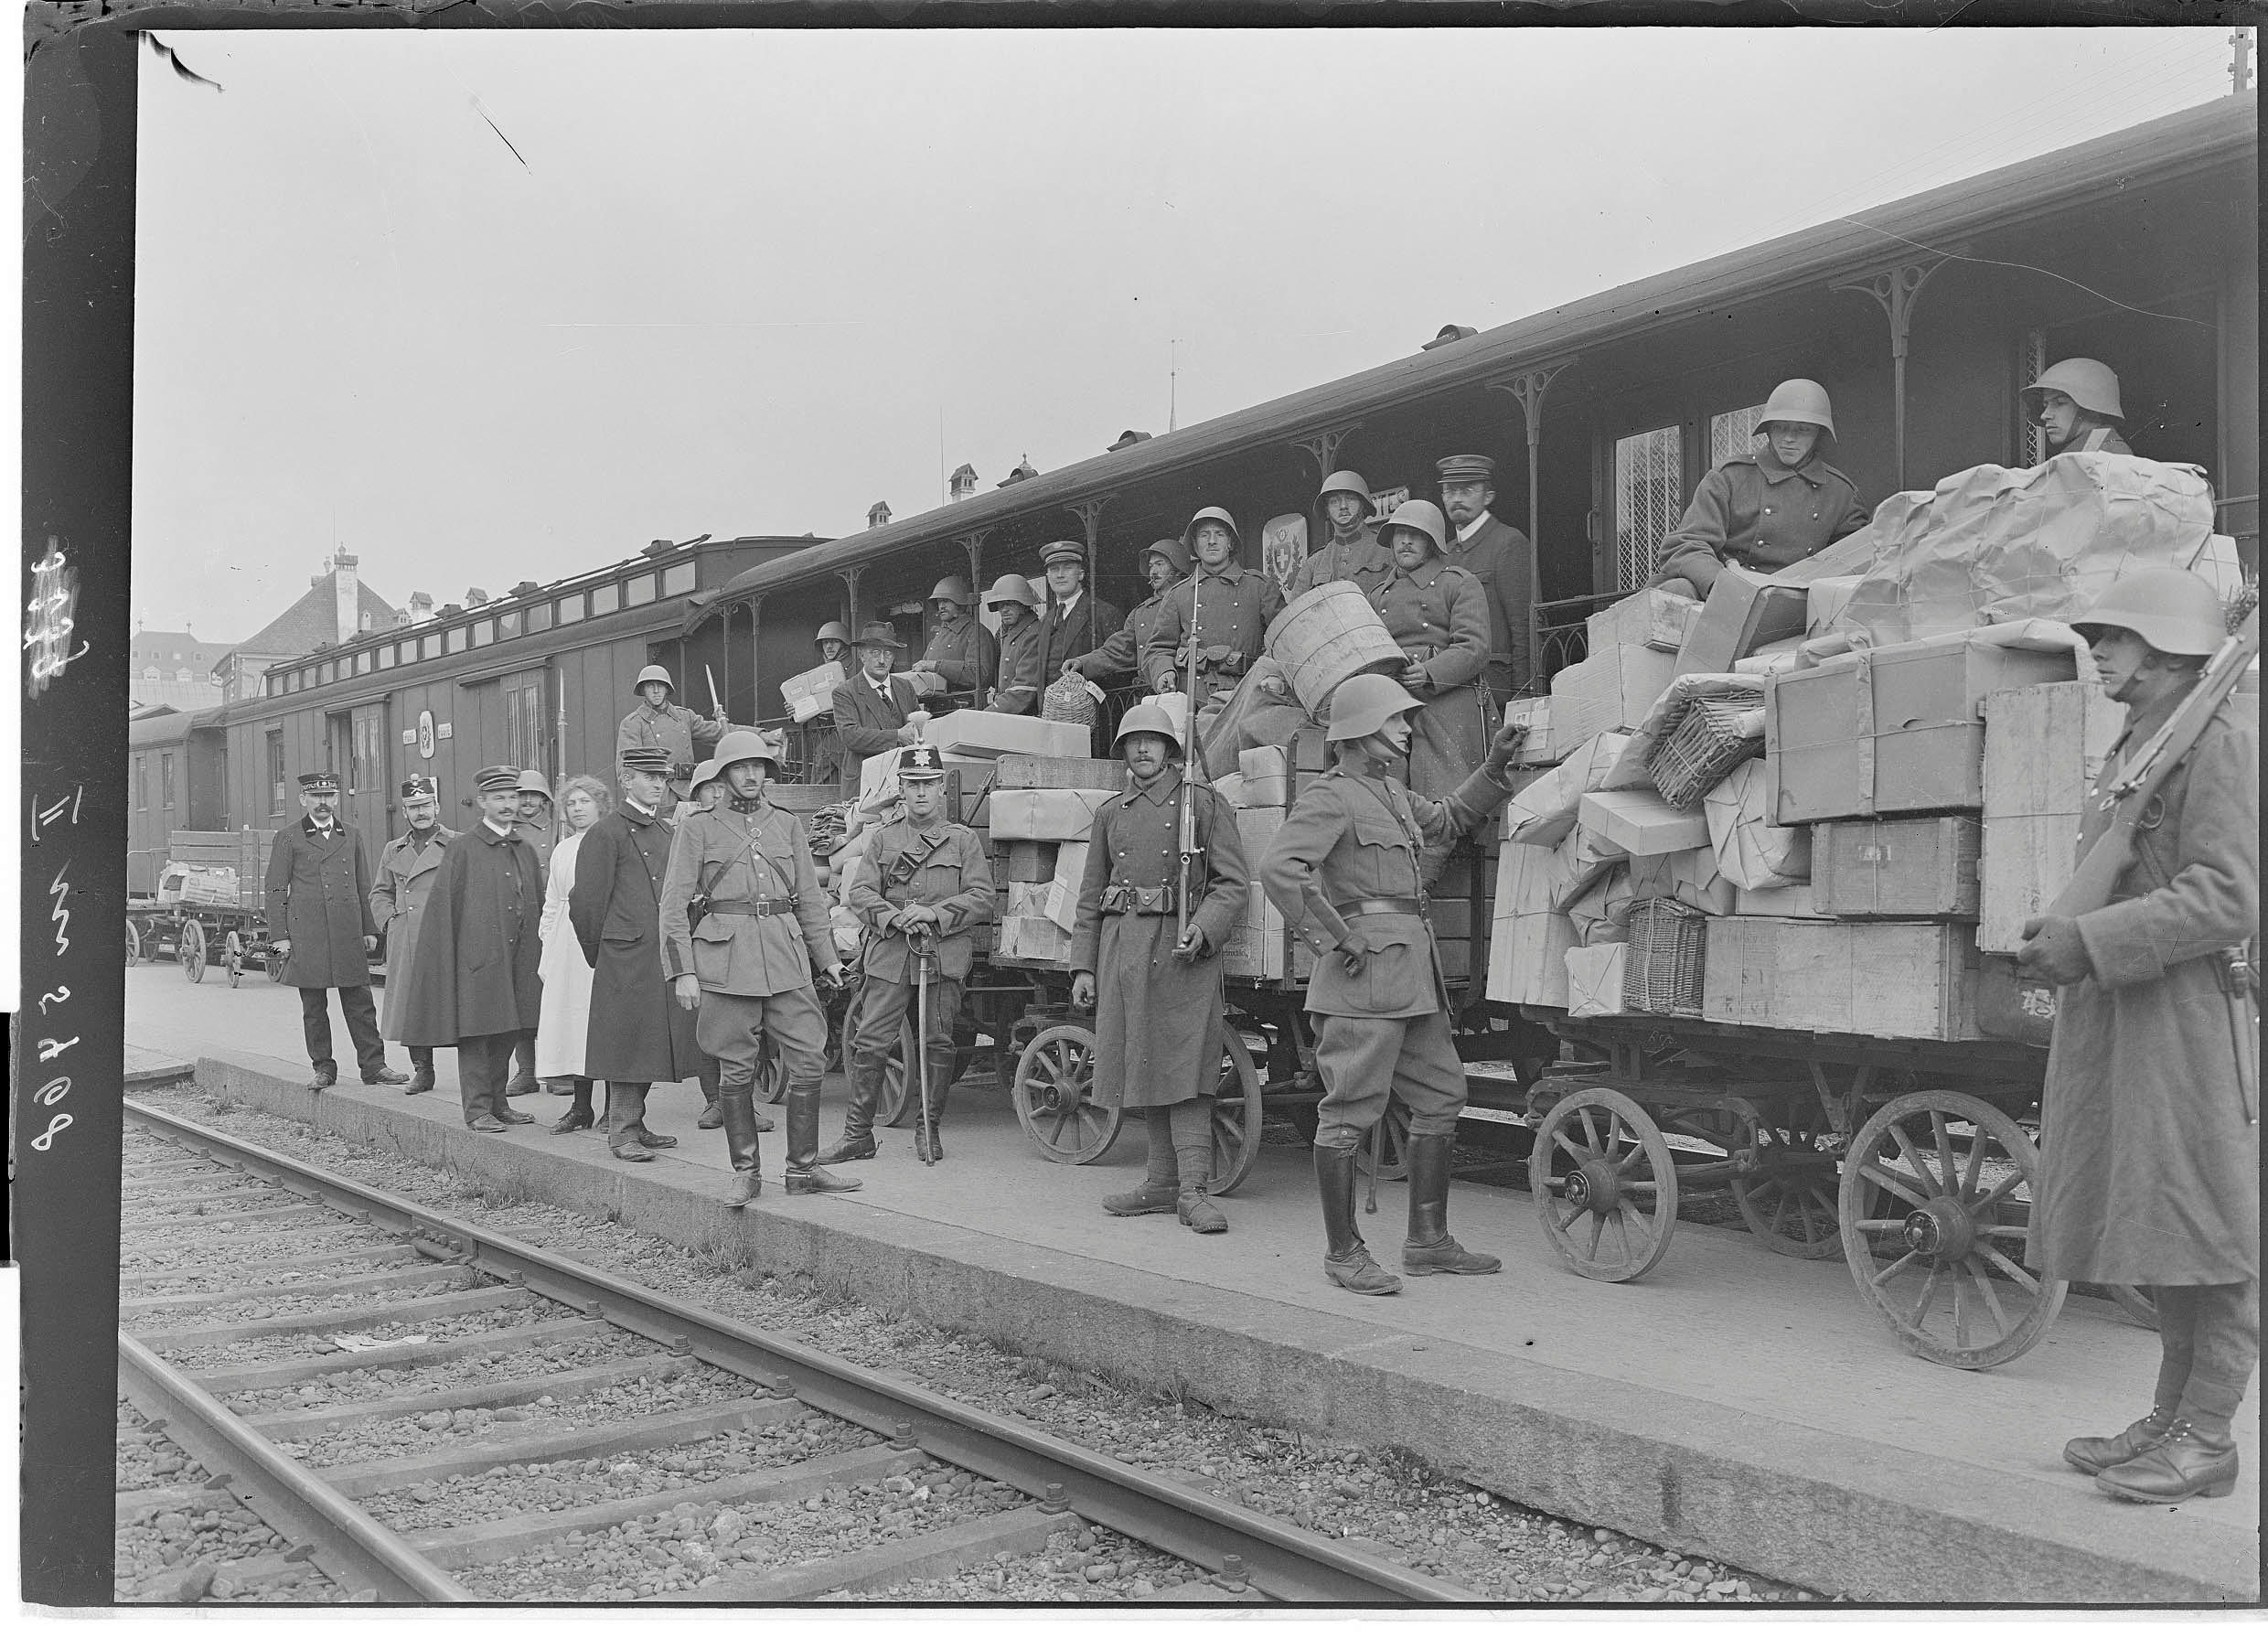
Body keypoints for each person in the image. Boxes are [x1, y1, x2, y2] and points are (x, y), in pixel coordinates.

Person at [2018, 566, 2256, 1505]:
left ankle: (2207, 1437)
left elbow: (2226, 899)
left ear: (2163, 652)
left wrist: (2089, 939)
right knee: (2161, 1225)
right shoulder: (2145, 735)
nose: (2099, 653)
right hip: (2129, 1013)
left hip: (2192, 1016)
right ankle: (2166, 1420)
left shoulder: (2222, 742)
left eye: (2111, 637)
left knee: (2214, 1227)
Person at [1259, 676, 1524, 1296]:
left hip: (1411, 978)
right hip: (1362, 978)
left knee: (1441, 1094)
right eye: (1396, 720)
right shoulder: (1332, 797)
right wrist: (1335, 937)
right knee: (1349, 1111)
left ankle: (1427, 1242)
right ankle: (1343, 1252)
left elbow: (1452, 819)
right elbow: (1280, 867)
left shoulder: (1393, 793)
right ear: (1360, 731)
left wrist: (1494, 763)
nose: (1408, 729)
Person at [1069, 702, 1248, 1232]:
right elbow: (1089, 895)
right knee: (1140, 1059)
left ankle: (1193, 1190)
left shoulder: (1203, 804)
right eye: (1133, 741)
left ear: (1170, 748)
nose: (1143, 749)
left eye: (1153, 740)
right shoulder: (1110, 813)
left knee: (1185, 1063)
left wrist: (1206, 926)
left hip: (1182, 949)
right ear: (1122, 748)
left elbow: (1231, 883)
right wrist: (1082, 966)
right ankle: (1160, 1181)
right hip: (1122, 948)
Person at [659, 730, 853, 1201]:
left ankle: (802, 1172)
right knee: (736, 1070)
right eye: (740, 768)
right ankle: (746, 1171)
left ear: (768, 772)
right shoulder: (699, 826)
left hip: (785, 958)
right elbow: (673, 903)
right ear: (724, 775)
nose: (750, 775)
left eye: (758, 766)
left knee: (810, 1060)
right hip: (726, 961)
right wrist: (682, 971)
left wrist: (826, 959)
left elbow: (809, 897)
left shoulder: (786, 824)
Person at [821, 742, 996, 1166]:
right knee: (870, 1041)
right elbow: (860, 892)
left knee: (938, 1043)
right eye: (913, 784)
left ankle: (929, 1130)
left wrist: (934, 913)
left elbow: (982, 898)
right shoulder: (882, 840)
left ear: (942, 789)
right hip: (890, 956)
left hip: (941, 954)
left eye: (929, 784)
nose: (921, 793)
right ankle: (857, 1135)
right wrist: (894, 917)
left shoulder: (963, 841)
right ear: (902, 788)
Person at [572, 747, 718, 1163]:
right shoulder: (608, 832)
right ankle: (621, 1130)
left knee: (649, 1041)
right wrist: (601, 952)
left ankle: (636, 1123)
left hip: (660, 952)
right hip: (625, 953)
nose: (658, 784)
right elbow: (586, 903)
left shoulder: (668, 832)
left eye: (662, 777)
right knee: (627, 1041)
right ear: (625, 779)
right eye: (648, 777)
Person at [398, 765, 544, 1131]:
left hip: (519, 957)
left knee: (509, 1030)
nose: (508, 805)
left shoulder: (523, 848)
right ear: (482, 802)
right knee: (478, 1033)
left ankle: (498, 1102)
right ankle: (477, 1109)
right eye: (499, 798)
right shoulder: (463, 847)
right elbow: (445, 906)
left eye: (513, 797)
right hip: (477, 960)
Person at [1649, 380, 1868, 601]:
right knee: (1677, 591)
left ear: (1819, 434)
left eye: (1802, 430)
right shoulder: (1730, 477)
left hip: (1797, 602)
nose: (1789, 438)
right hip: (1727, 595)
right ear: (1768, 430)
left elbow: (1854, 559)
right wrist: (1721, 585)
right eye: (1780, 427)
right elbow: (1687, 544)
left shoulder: (1840, 493)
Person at [265, 771, 408, 1093]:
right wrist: (280, 936)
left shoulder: (352, 835)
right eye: (316, 797)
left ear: (337, 799)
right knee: (314, 1006)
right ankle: (323, 1068)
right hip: (308, 932)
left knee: (360, 1001)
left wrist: (368, 928)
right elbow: (275, 888)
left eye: (329, 796)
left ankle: (374, 1066)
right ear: (303, 800)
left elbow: (362, 884)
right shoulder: (288, 837)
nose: (323, 803)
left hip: (346, 931)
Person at [1368, 499, 1492, 806]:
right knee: (1381, 795)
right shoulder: (1375, 595)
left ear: (1432, 542)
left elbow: (1474, 647)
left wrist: (1430, 672)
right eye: (1399, 534)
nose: (1406, 541)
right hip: (1390, 702)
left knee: (1443, 799)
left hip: (1443, 697)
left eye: (1416, 534)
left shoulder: (1460, 584)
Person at [1143, 508, 1285, 714]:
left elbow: (1284, 640)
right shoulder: (1178, 594)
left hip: (1246, 695)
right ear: (1195, 545)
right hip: (1192, 699)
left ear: (1230, 543)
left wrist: (1272, 675)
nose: (1211, 541)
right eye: (1204, 535)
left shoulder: (1259, 587)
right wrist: (1164, 671)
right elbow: (1158, 648)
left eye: (1219, 534)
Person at [369, 775, 456, 1095]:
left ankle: (478, 1078)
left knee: (455, 1003)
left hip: (446, 936)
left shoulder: (456, 844)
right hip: (406, 936)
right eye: (413, 807)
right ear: (405, 812)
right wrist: (391, 921)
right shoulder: (394, 850)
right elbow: (379, 893)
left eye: (425, 805)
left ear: (437, 806)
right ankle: (424, 1070)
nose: (421, 812)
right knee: (411, 1006)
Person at [535, 773, 608, 1132]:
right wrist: (548, 940)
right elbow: (552, 900)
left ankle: (616, 1108)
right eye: (572, 803)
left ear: (600, 806)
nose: (578, 809)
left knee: (603, 1020)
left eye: (585, 802)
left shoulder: (610, 842)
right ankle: (581, 1107)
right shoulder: (563, 848)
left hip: (600, 938)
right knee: (574, 1023)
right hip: (567, 941)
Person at [1433, 454, 1535, 702]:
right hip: (1452, 691)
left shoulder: (1508, 543)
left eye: (1467, 490)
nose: (1456, 499)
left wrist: (1521, 697)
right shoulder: (1443, 553)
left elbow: (1524, 627)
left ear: (1488, 496)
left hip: (1496, 687)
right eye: (1449, 491)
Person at [1067, 539, 1189, 690]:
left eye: (1160, 564)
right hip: (1147, 696)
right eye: (1151, 566)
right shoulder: (1140, 612)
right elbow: (1117, 650)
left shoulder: (1191, 603)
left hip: (1182, 691)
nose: (1153, 571)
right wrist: (1083, 663)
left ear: (1177, 569)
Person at [504, 769, 558, 1097]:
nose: (526, 801)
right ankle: (526, 1070)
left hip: (556, 916)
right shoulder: (506, 831)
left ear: (545, 799)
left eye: (533, 795)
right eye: (520, 795)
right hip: (520, 919)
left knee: (555, 995)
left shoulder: (559, 828)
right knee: (523, 995)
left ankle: (559, 1071)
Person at [831, 621, 924, 796]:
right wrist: (897, 735)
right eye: (875, 652)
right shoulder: (845, 692)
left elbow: (917, 730)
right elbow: (851, 736)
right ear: (861, 655)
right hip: (863, 786)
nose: (882, 660)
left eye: (888, 653)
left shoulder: (905, 687)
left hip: (902, 783)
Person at [1288, 469, 1391, 600]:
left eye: (1351, 499)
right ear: (1326, 510)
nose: (1343, 506)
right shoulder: (1314, 563)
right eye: (1334, 501)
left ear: (1363, 505)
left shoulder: (1387, 551)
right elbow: (1297, 611)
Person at [616, 664, 731, 782]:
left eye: (660, 685)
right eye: (650, 686)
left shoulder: (685, 716)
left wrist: (751, 731)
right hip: (659, 791)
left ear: (667, 689)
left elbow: (718, 732)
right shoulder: (633, 723)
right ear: (643, 690)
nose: (656, 691)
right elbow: (626, 770)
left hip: (688, 790)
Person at [1033, 541, 1123, 690]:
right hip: (1050, 709)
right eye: (1054, 569)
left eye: (1067, 568)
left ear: (1081, 574)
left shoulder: (1103, 613)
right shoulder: (1045, 621)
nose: (1060, 575)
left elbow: (1117, 660)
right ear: (1048, 577)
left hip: (1090, 709)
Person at [906, 576, 998, 705]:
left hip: (965, 709)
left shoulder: (976, 632)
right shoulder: (938, 636)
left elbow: (980, 675)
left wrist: (936, 666)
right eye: (939, 602)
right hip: (934, 708)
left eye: (946, 601)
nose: (941, 606)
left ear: (960, 603)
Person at [2024, 358, 2134, 456]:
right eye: (2046, 405)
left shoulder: (2107, 456)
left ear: (2091, 408)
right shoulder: (2086, 454)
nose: (2044, 415)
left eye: (2060, 403)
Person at [986, 573, 1045, 716]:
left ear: (1024, 605)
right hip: (1008, 711)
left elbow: (1024, 690)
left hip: (1026, 714)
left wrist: (988, 713)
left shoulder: (1034, 633)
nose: (1004, 609)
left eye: (1010, 603)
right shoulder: (1006, 633)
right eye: (1000, 604)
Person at [805, 624, 854, 789]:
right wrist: (795, 709)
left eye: (834, 642)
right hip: (829, 732)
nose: (829, 647)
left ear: (844, 644)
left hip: (848, 730)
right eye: (825, 643)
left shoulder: (855, 669)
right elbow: (812, 701)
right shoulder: (820, 672)